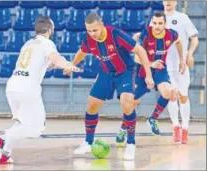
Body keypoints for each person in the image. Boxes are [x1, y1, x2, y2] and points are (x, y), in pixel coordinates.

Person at [0, 16, 82, 165]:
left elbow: (49, 64)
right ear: (50, 30)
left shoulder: (28, 44)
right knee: (37, 128)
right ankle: (0, 136)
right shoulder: (47, 43)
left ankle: (5, 153)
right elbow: (56, 58)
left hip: (13, 86)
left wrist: (66, 65)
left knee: (22, 123)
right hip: (28, 88)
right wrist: (67, 65)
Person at [63, 11, 154, 160]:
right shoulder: (89, 40)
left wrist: (148, 75)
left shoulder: (116, 35)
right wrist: (71, 65)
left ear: (102, 25)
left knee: (127, 104)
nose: (92, 33)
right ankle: (88, 142)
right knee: (92, 104)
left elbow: (141, 51)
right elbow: (82, 51)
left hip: (125, 72)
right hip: (106, 73)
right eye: (89, 30)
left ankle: (130, 144)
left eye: (95, 30)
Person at [116, 12, 186, 146]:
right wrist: (151, 64)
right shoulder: (145, 35)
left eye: (160, 23)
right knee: (131, 104)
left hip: (159, 70)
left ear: (165, 24)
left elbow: (179, 42)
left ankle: (152, 119)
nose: (157, 26)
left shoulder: (171, 34)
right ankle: (123, 129)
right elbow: (137, 57)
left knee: (170, 93)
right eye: (155, 23)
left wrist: (182, 60)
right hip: (142, 72)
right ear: (151, 23)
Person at [133, 1, 199, 144]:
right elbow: (147, 37)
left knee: (183, 96)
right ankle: (175, 126)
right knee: (171, 96)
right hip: (163, 66)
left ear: (176, 2)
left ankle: (185, 128)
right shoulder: (155, 20)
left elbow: (194, 39)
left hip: (180, 65)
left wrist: (189, 54)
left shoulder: (183, 18)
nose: (168, 2)